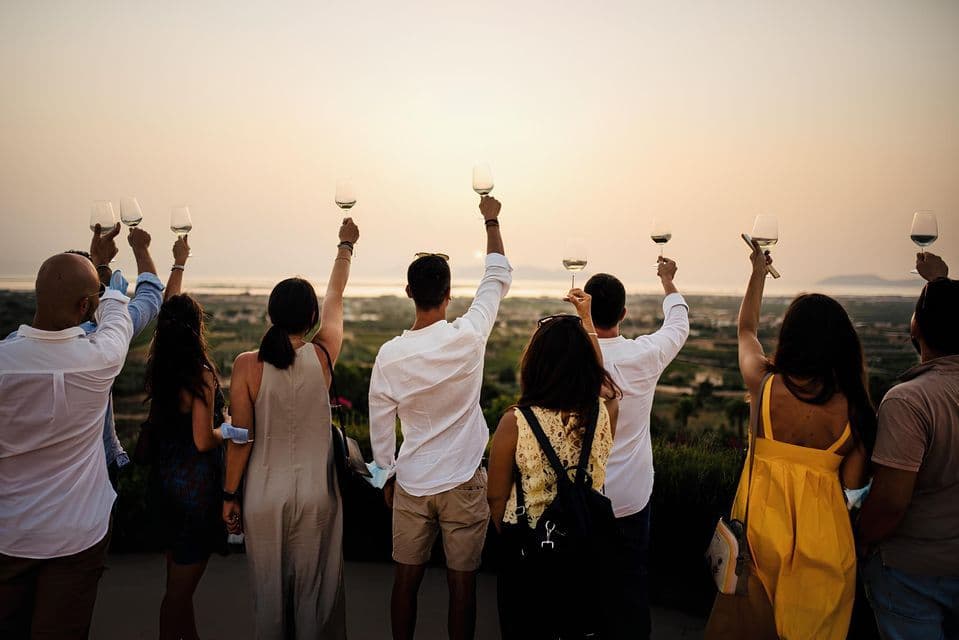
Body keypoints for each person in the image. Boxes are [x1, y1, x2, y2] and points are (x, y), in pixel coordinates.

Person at [705, 243, 873, 640]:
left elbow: (746, 330)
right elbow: (851, 492)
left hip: (760, 547)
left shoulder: (764, 388)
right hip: (827, 552)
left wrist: (757, 273)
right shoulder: (856, 413)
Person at [369, 196, 510, 640]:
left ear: (408, 292)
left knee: (405, 583)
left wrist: (385, 475)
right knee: (462, 587)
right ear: (449, 295)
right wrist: (491, 219)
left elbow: (379, 429)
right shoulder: (469, 335)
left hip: (411, 481)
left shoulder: (390, 355)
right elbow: (498, 275)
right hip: (465, 482)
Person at [223, 218, 359, 639]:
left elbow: (241, 440)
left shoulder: (247, 365)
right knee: (315, 601)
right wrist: (345, 246)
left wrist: (229, 496)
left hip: (263, 497)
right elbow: (336, 295)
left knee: (270, 602)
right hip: (318, 495)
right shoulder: (323, 355)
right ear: (312, 317)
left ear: (270, 313)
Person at [0, 239, 133, 638]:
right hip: (78, 535)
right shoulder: (100, 359)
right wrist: (108, 285)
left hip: (9, 534)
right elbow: (118, 317)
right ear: (84, 308)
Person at [487, 288, 621, 639]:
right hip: (585, 550)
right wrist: (587, 325)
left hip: (530, 553)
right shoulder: (603, 414)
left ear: (536, 363)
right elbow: (601, 382)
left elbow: (495, 499)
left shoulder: (515, 422)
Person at [3, 224, 165, 488]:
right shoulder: (100, 346)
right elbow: (149, 298)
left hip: (17, 499)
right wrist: (139, 249)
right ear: (85, 305)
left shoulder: (7, 353)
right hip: (95, 480)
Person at [583, 257, 689, 639]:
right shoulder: (645, 355)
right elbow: (679, 324)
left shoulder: (572, 359)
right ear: (624, 314)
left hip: (581, 496)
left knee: (582, 591)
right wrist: (667, 281)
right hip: (631, 496)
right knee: (630, 589)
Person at [858, 252, 959, 640]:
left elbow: (890, 503)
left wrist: (861, 539)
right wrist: (939, 281)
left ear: (914, 326)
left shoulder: (909, 401)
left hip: (913, 573)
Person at [144, 285, 237, 640]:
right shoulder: (200, 374)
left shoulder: (162, 372)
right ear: (196, 328)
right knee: (178, 595)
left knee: (179, 589)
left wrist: (178, 264)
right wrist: (225, 427)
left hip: (166, 484)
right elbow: (202, 439)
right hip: (195, 491)